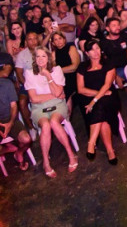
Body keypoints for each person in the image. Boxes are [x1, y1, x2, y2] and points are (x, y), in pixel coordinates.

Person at [25, 47, 79, 177]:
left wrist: (48, 76)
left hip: (58, 105)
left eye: (43, 56)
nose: (40, 59)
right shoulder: (29, 73)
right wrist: (55, 95)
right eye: (38, 56)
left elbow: (59, 93)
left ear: (48, 58)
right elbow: (34, 98)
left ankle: (71, 154)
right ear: (34, 59)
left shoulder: (57, 70)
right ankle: (45, 162)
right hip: (39, 108)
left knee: (54, 122)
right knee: (45, 125)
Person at [77, 40, 122, 164]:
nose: (96, 52)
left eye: (97, 48)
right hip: (89, 97)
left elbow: (107, 85)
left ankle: (91, 142)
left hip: (109, 97)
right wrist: (97, 95)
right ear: (87, 53)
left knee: (100, 105)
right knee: (101, 115)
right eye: (92, 49)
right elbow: (80, 89)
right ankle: (110, 150)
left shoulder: (108, 63)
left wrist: (94, 100)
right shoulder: (82, 67)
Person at [0, 50, 32, 173]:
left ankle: (18, 152)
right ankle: (8, 148)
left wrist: (11, 123)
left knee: (26, 139)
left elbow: (14, 106)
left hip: (10, 119)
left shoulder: (8, 83)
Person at [51, 31, 81, 116]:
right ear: (53, 43)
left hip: (74, 76)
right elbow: (53, 70)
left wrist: (58, 70)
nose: (58, 41)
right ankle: (66, 116)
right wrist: (59, 71)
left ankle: (67, 114)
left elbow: (74, 66)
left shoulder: (71, 48)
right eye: (55, 40)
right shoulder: (53, 54)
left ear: (64, 39)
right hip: (62, 78)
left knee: (67, 90)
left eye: (60, 38)